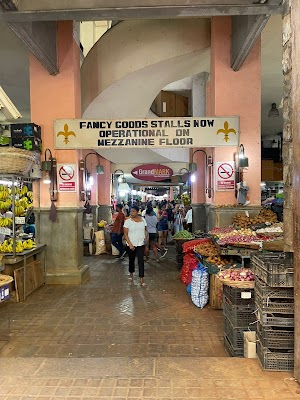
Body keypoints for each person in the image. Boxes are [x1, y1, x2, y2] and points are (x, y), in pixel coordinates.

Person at [123, 205, 148, 287]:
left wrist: (146, 237)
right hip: (131, 244)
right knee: (131, 260)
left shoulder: (143, 220)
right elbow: (125, 234)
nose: (131, 213)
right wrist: (130, 244)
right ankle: (131, 274)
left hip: (141, 243)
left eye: (133, 211)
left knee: (141, 261)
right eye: (130, 211)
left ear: (137, 212)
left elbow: (145, 230)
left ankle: (141, 279)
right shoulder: (128, 222)